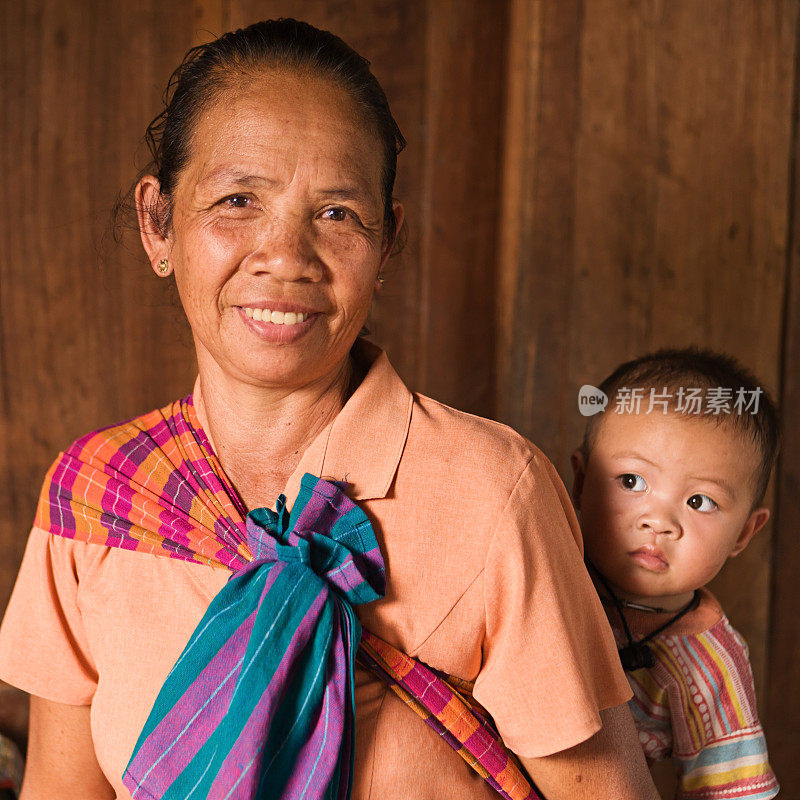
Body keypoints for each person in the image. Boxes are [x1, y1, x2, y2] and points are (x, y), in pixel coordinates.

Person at [0, 19, 657, 800]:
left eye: (337, 212)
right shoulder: (100, 495)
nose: (286, 255)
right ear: (158, 223)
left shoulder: (493, 493)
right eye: (238, 199)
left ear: (388, 243)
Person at [570, 348, 780, 799]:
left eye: (700, 501)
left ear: (744, 533)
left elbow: (733, 792)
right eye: (632, 482)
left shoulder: (711, 665)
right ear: (580, 483)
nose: (659, 522)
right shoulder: (544, 565)